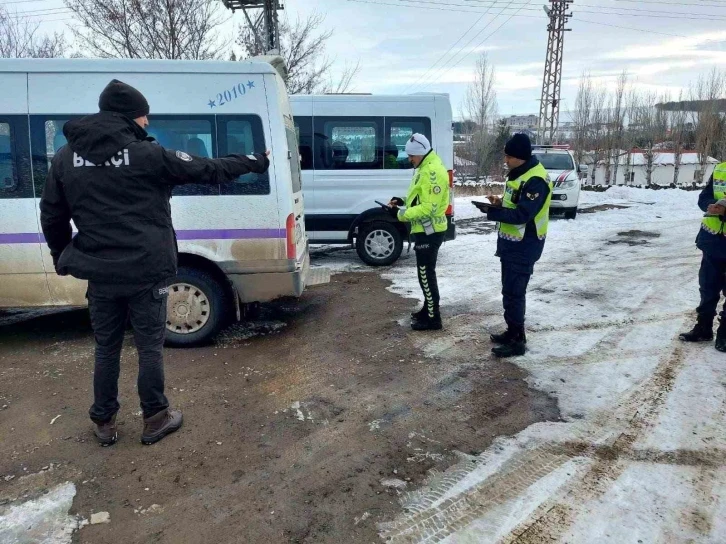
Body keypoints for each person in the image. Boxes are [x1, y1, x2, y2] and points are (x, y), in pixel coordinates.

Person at [40, 79, 270, 446]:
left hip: (99, 271)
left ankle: (104, 422)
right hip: (147, 271)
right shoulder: (148, 155)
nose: (147, 123)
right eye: (144, 117)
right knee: (149, 347)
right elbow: (207, 169)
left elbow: (51, 216)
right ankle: (155, 418)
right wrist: (256, 161)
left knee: (106, 347)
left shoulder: (65, 158)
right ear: (132, 117)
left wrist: (61, 255)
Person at [473, 133, 552, 358]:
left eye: (508, 156)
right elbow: (515, 204)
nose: (505, 160)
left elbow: (523, 214)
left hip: (525, 245)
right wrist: (499, 203)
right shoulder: (519, 175)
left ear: (520, 157)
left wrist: (494, 212)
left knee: (515, 293)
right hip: (511, 244)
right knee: (509, 291)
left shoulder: (536, 180)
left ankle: (518, 340)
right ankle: (512, 331)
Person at [388, 133, 450, 331]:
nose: (409, 159)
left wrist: (400, 214)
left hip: (429, 231)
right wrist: (402, 202)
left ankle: (433, 318)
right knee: (424, 274)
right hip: (425, 229)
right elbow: (420, 200)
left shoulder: (432, 172)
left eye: (411, 156)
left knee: (426, 274)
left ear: (421, 153)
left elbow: (429, 208)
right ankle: (428, 310)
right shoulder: (424, 168)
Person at [679, 162, 726, 351]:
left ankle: (724, 333)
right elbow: (704, 196)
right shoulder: (721, 169)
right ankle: (704, 327)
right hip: (713, 240)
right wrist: (710, 205)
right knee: (707, 286)